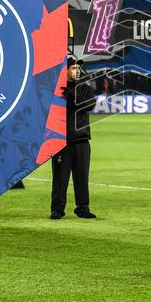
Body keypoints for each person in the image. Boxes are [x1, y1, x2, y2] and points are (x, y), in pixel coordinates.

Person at [51, 58, 97, 219]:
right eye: (73, 68)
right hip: (60, 140)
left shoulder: (85, 88)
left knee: (82, 177)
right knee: (60, 179)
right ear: (66, 70)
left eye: (78, 68)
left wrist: (72, 96)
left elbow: (90, 105)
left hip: (82, 140)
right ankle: (57, 209)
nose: (77, 71)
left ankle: (82, 208)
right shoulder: (56, 89)